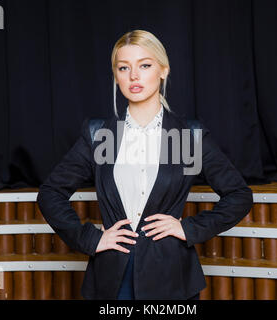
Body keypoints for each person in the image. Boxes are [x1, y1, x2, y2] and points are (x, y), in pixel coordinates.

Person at [36, 30, 253, 300]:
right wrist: (90, 239)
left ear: (163, 70)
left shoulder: (187, 137)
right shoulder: (100, 135)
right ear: (116, 75)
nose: (134, 76)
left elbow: (239, 195)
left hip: (172, 279)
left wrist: (188, 228)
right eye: (124, 67)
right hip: (111, 279)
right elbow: (50, 193)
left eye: (145, 65)